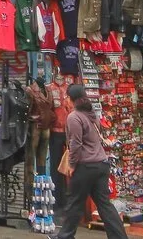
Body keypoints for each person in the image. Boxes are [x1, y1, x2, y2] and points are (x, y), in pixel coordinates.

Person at [50, 84, 128, 239]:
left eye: (66, 97)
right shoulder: (91, 115)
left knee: (74, 203)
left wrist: (72, 165)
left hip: (85, 166)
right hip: (101, 165)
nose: (65, 100)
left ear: (70, 99)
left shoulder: (74, 117)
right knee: (105, 205)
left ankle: (65, 236)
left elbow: (75, 144)